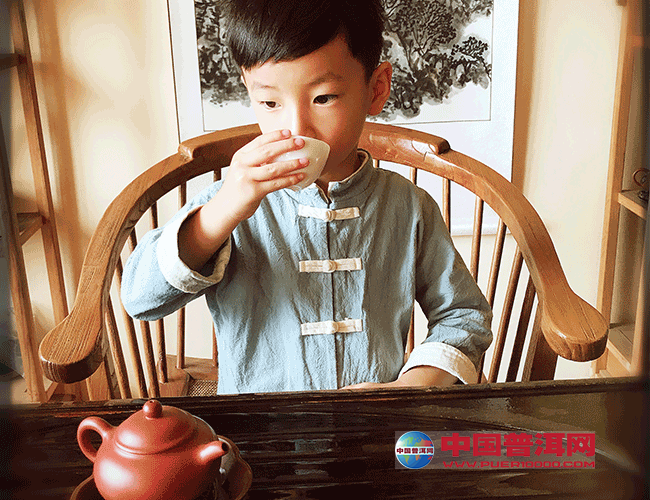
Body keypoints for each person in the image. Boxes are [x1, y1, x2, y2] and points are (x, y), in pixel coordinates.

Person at [122, 0, 492, 394]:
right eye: (270, 103)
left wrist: (415, 383)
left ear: (376, 89)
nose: (297, 128)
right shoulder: (227, 203)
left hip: (374, 422)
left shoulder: (409, 207)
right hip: (259, 425)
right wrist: (219, 215)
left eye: (324, 98)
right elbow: (140, 300)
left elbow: (464, 314)